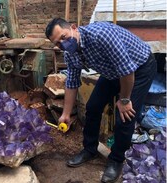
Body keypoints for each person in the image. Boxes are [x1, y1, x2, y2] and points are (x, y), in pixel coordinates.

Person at [45, 18, 156, 183]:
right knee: (93, 106)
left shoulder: (102, 35)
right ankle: (89, 149)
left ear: (74, 28)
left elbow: (127, 70)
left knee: (124, 116)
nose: (63, 44)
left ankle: (116, 160)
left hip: (139, 68)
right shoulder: (70, 54)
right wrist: (66, 114)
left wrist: (124, 100)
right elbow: (72, 83)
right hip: (112, 72)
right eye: (58, 43)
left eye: (63, 37)